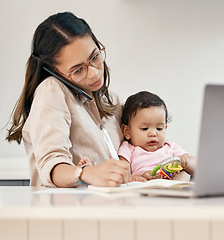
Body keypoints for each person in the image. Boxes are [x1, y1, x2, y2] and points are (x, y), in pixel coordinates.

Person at [5, 12, 130, 187]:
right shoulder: (52, 90)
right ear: (54, 72)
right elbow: (52, 166)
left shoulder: (112, 99)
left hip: (110, 209)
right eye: (78, 70)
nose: (94, 73)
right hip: (66, 212)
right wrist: (87, 173)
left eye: (95, 57)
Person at [117, 91, 195, 181]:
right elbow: (123, 175)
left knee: (185, 174)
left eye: (159, 128)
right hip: (145, 187)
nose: (153, 134)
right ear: (127, 132)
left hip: (170, 184)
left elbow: (197, 166)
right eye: (144, 128)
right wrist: (141, 177)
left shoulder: (170, 146)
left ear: (165, 128)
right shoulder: (128, 149)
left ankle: (178, 187)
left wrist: (185, 162)